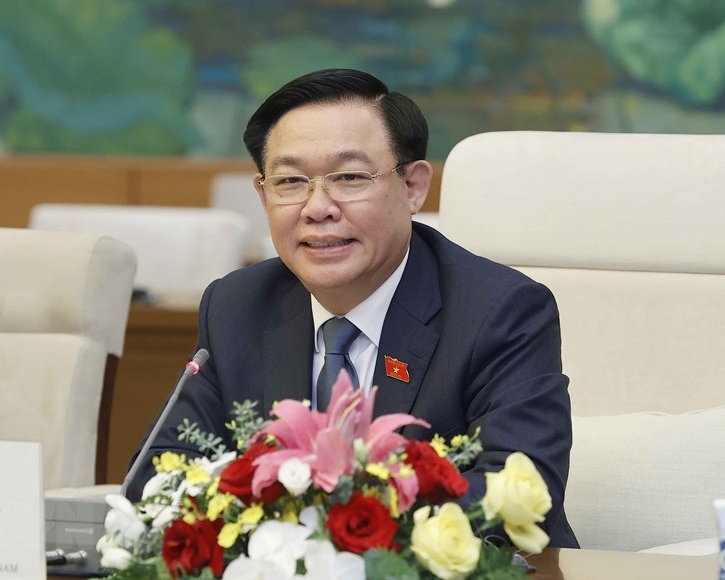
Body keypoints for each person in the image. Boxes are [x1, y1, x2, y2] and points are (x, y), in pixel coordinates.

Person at [126, 68, 579, 548]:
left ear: (412, 187)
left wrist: (318, 526)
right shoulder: (237, 305)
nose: (317, 207)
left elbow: (520, 495)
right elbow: (157, 477)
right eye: (290, 181)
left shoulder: (499, 311)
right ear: (263, 194)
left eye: (349, 177)